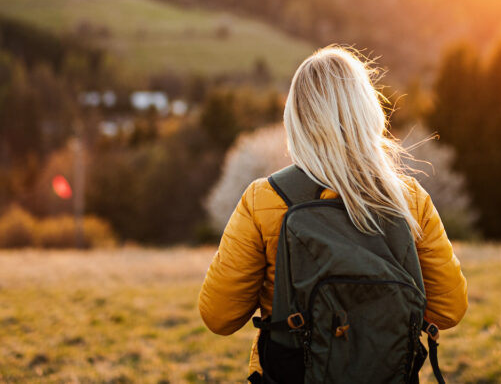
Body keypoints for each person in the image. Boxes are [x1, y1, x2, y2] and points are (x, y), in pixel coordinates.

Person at [198, 45, 468, 381]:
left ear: (296, 120)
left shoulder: (263, 199)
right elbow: (449, 309)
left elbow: (218, 316)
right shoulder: (409, 200)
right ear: (369, 113)